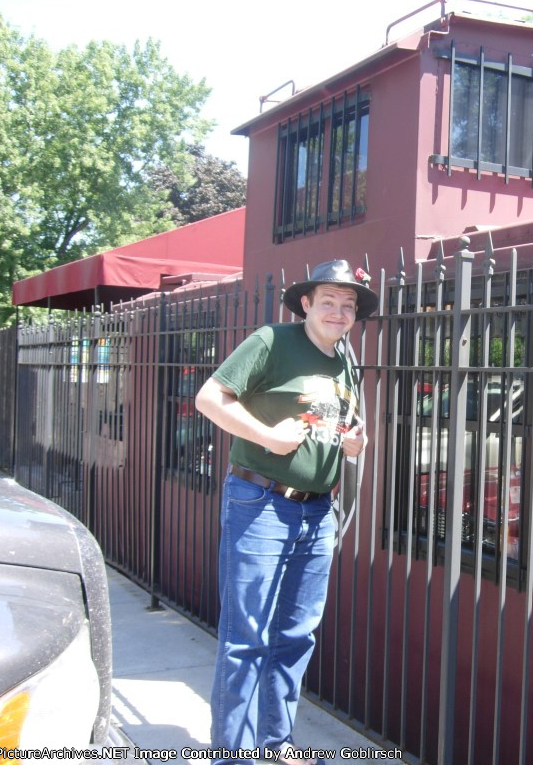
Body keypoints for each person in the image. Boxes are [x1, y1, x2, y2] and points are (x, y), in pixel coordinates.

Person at [195, 259, 377, 765]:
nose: (339, 312)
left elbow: (335, 429)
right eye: (328, 301)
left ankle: (277, 747)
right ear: (305, 304)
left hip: (318, 513)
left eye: (348, 305)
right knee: (246, 636)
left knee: (296, 636)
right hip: (260, 503)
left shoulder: (345, 361)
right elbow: (210, 398)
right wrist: (268, 437)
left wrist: (353, 446)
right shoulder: (272, 341)